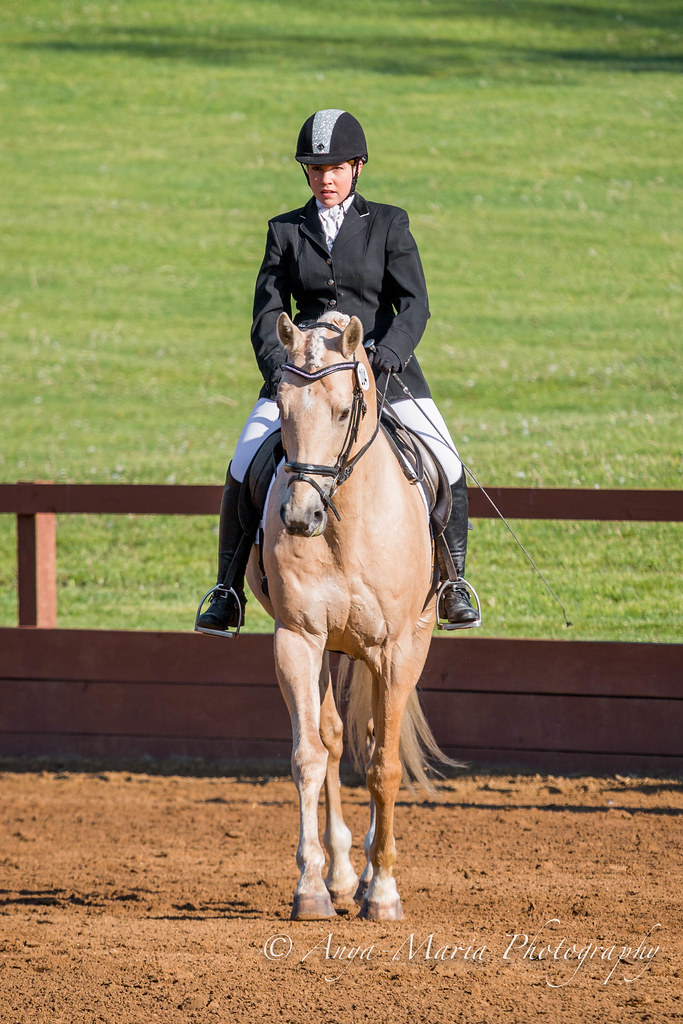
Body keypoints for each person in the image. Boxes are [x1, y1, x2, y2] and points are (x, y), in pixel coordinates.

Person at [196, 108, 480, 634]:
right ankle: (227, 589)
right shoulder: (284, 230)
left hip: (384, 373)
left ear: (358, 167)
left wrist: (390, 353)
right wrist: (283, 369)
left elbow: (414, 304)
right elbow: (265, 311)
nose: (326, 179)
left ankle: (453, 581)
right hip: (306, 379)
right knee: (242, 461)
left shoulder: (389, 224)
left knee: (446, 458)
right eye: (315, 169)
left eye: (337, 168)